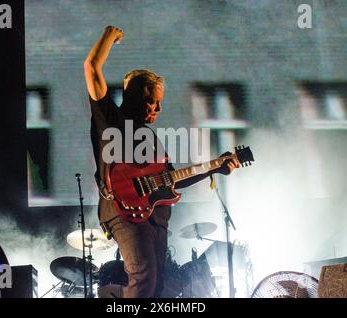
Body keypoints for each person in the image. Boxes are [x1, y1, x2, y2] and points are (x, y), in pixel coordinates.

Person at [84, 26, 241, 298]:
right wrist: (110, 34)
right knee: (144, 281)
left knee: (158, 288)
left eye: (159, 102)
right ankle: (108, 296)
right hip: (122, 210)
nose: (158, 109)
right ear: (132, 97)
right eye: (151, 102)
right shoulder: (110, 118)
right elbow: (91, 68)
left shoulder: (150, 139)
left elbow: (172, 179)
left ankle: (112, 295)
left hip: (155, 216)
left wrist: (216, 167)